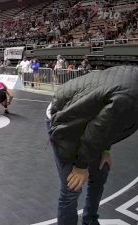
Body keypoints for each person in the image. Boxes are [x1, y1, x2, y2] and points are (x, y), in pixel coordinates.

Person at [47, 66, 138, 225]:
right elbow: (96, 130)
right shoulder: (131, 98)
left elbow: (110, 124)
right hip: (64, 119)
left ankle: (90, 221)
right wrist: (81, 166)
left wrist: (106, 150)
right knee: (72, 187)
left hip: (86, 113)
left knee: (101, 172)